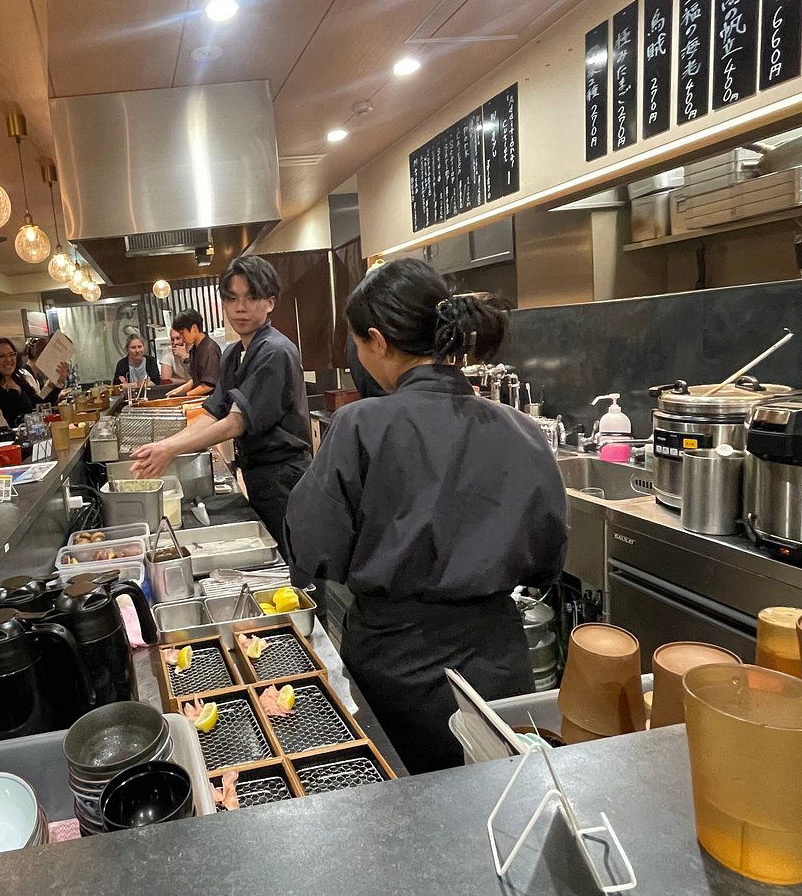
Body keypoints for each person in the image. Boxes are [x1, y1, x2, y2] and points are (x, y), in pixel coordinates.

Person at [283, 259, 567, 774]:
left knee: (408, 821)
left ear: (378, 341)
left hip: (397, 671)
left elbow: (313, 547)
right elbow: (547, 558)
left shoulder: (359, 426)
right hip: (499, 664)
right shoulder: (523, 430)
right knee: (500, 809)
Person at [131, 256, 311, 546]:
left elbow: (235, 423)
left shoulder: (275, 352)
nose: (240, 307)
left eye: (251, 297)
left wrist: (171, 448)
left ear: (270, 302)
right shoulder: (233, 353)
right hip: (256, 473)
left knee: (291, 561)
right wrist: (165, 445)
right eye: (232, 298)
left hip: (284, 478)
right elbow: (213, 412)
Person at [0, 337, 42, 428]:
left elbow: (40, 406)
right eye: (2, 356)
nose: (9, 360)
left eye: (12, 355)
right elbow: (10, 418)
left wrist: (56, 385)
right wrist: (16, 393)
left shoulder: (19, 380)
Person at [166, 309, 221, 398]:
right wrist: (177, 391)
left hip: (212, 403)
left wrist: (184, 396)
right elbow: (196, 380)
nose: (181, 337)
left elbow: (209, 385)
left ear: (194, 328)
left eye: (182, 333)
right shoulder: (195, 348)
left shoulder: (209, 348)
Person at [19, 337, 70, 404]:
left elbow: (41, 399)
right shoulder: (26, 376)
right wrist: (56, 384)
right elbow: (38, 405)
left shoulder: (34, 377)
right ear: (43, 354)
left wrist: (53, 385)